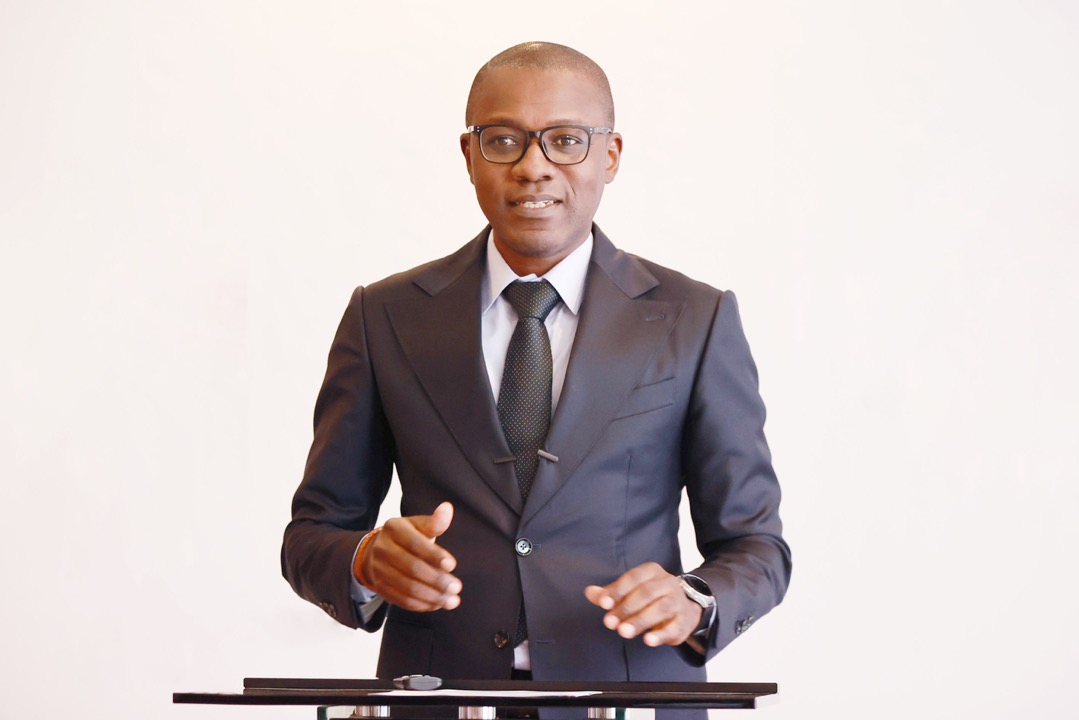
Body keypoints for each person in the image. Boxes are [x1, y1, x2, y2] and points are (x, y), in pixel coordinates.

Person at [281, 41, 790, 693]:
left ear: (610, 155)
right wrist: (364, 561)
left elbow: (757, 547)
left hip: (627, 696)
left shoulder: (695, 318)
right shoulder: (383, 316)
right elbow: (312, 535)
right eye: (503, 141)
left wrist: (695, 601)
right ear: (469, 155)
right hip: (441, 697)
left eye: (565, 141)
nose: (533, 168)